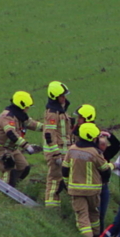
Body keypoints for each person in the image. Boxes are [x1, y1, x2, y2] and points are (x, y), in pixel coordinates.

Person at [62, 122, 119, 237]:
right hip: (92, 191)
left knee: (82, 215)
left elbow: (65, 169)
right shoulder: (95, 153)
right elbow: (105, 169)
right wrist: (114, 166)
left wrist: (67, 184)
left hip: (76, 189)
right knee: (94, 214)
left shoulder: (72, 150)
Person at [72, 104, 120, 225]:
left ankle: (96, 234)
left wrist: (109, 136)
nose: (78, 120)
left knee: (99, 217)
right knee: (93, 216)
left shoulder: (99, 149)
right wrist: (114, 166)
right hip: (91, 186)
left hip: (102, 185)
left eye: (80, 117)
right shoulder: (84, 144)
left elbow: (115, 147)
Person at [0, 90, 42, 186]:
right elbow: (11, 133)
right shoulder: (7, 117)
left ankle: (14, 187)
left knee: (24, 168)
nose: (28, 109)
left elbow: (33, 124)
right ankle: (4, 190)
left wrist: (49, 128)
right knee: (9, 167)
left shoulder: (21, 116)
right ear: (21, 105)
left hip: (11, 148)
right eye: (27, 107)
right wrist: (26, 146)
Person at [42, 81, 73, 209]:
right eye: (61, 96)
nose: (64, 98)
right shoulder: (53, 113)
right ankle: (51, 208)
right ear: (55, 97)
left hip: (64, 152)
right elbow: (49, 134)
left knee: (64, 179)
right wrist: (56, 154)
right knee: (54, 180)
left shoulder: (61, 111)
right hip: (57, 154)